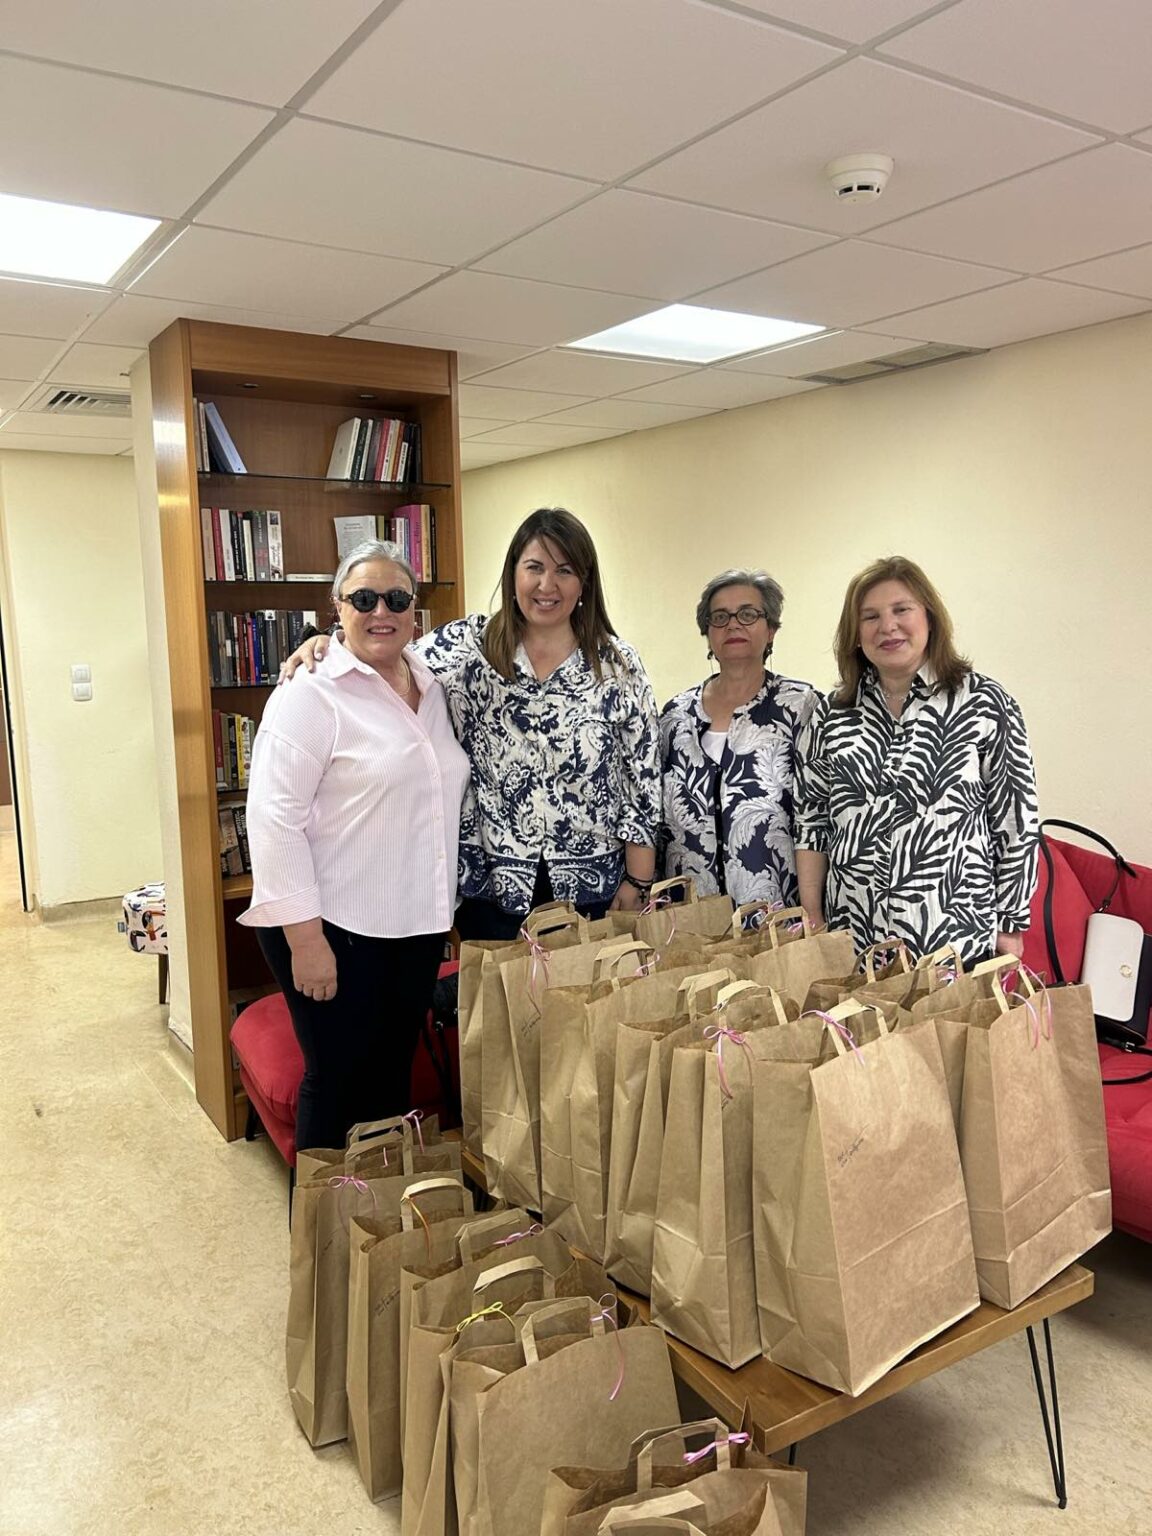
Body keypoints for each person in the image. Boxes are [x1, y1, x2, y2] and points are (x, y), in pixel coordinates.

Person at [283, 508, 661, 941]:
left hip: (596, 888)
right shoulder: (466, 648)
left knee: (590, 987)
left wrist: (638, 880)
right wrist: (330, 643)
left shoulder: (617, 665)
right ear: (513, 574)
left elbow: (642, 776)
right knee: (496, 988)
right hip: (491, 890)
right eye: (534, 567)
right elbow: (382, 650)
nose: (547, 585)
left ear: (584, 583)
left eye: (565, 570)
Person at [238, 541, 470, 1151]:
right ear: (336, 607)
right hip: (331, 926)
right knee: (338, 1081)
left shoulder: (433, 683)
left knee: (390, 1080)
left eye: (396, 598)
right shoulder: (309, 693)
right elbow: (273, 820)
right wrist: (306, 942)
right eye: (363, 599)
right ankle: (324, 1215)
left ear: (415, 609)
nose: (380, 612)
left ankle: (379, 1207)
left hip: (413, 928)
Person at [793, 555, 1039, 966]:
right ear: (855, 634)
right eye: (870, 616)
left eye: (901, 609)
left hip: (956, 940)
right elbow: (812, 820)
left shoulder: (984, 703)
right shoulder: (830, 713)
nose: (887, 626)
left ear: (929, 617)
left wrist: (1011, 924)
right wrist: (813, 915)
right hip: (853, 938)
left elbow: (1016, 821)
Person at [658, 569, 817, 908]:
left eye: (747, 614)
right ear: (707, 634)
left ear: (771, 629)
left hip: (778, 917)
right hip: (687, 917)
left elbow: (817, 819)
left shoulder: (800, 707)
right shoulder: (675, 716)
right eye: (720, 617)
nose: (732, 625)